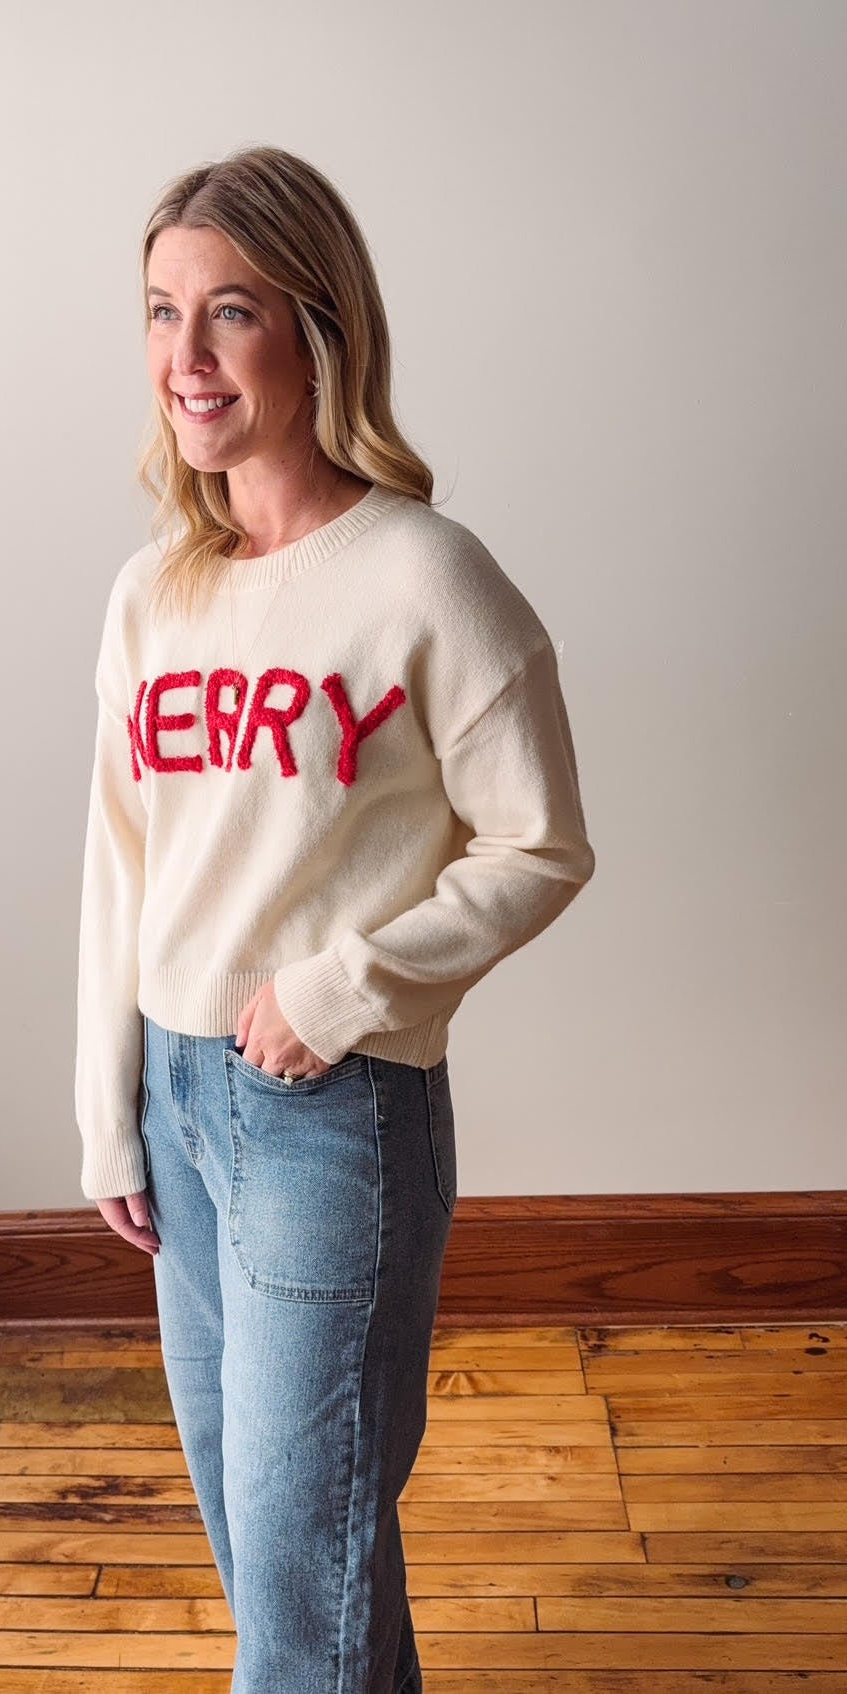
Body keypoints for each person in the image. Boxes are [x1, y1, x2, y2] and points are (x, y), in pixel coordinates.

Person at [74, 144, 596, 1694]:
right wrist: (107, 1110)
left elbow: (542, 844)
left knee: (300, 1558)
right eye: (162, 312)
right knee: (279, 1537)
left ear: (318, 328)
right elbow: (119, 862)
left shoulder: (428, 578)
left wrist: (346, 985)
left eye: (229, 312)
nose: (186, 356)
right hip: (178, 1101)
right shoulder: (151, 595)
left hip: (330, 1109)